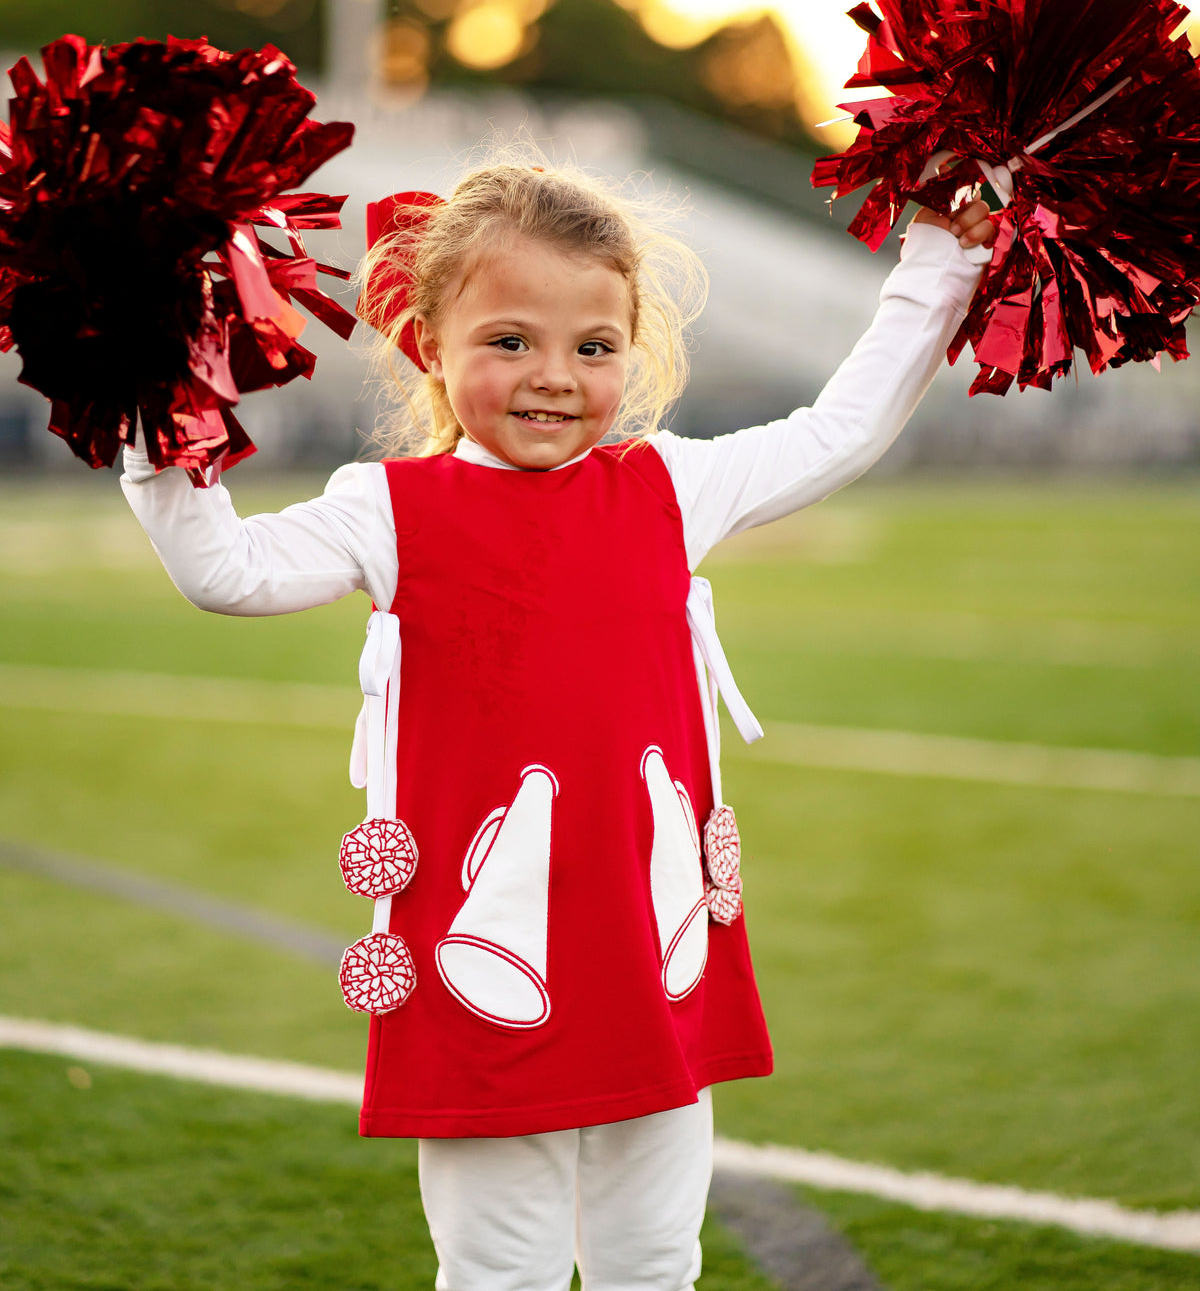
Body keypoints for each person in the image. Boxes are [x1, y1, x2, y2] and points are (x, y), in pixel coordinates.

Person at [121, 156, 994, 1291]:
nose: (554, 378)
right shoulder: (388, 510)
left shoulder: (670, 487)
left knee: (652, 1264)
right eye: (509, 342)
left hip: (653, 956)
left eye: (594, 346)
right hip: (485, 971)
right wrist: (144, 388)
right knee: (501, 1275)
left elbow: (842, 427)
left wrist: (942, 253)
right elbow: (222, 570)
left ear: (633, 353)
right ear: (431, 343)